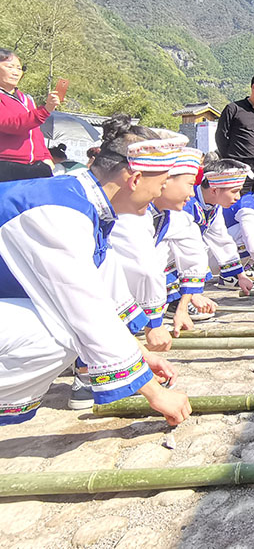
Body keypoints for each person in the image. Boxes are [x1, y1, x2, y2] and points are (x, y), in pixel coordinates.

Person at [0, 115, 192, 425]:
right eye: (162, 182)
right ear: (135, 179)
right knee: (58, 334)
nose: (163, 190)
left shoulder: (83, 203)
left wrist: (141, 355)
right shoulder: (61, 213)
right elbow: (86, 311)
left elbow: (106, 295)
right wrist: (156, 394)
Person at [110, 145, 212, 352]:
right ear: (165, 181)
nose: (192, 193)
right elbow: (143, 268)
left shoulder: (171, 215)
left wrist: (182, 309)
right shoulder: (130, 214)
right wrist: (154, 325)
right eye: (190, 184)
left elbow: (195, 255)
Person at [183, 157, 254, 295]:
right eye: (234, 191)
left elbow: (221, 239)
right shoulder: (186, 204)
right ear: (214, 190)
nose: (238, 197)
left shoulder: (213, 206)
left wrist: (241, 276)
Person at [0, 49, 61, 182]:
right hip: (6, 166)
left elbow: (35, 133)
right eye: (9, 67)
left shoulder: (27, 99)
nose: (16, 72)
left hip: (34, 166)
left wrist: (46, 156)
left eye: (19, 68)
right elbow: (12, 125)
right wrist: (46, 109)